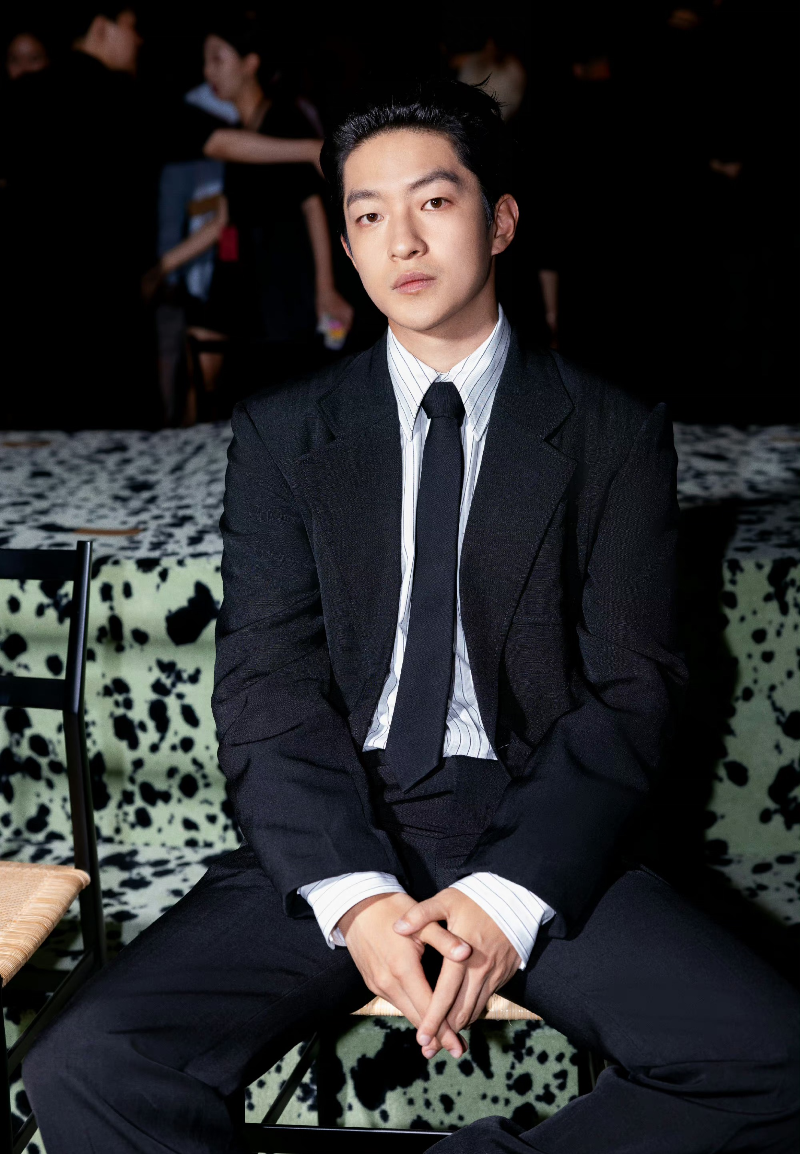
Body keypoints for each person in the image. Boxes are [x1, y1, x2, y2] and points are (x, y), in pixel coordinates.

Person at [24, 77, 799, 1154]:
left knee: (776, 1060)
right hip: (344, 811)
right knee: (90, 1060)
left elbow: (634, 689)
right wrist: (353, 895)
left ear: (501, 219)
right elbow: (265, 689)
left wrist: (508, 893)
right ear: (345, 243)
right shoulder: (285, 432)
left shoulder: (611, 432)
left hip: (537, 819)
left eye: (434, 202)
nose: (402, 240)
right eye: (367, 214)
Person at [153, 14, 352, 411]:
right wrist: (162, 268)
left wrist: (325, 287)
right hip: (241, 278)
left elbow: (312, 205)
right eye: (205, 61)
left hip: (283, 281)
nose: (208, 72)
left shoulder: (284, 117)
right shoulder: (239, 134)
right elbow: (224, 220)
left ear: (250, 62)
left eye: (217, 58)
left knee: (284, 396)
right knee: (202, 375)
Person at [1, 4, 160, 430]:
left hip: (72, 306)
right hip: (70, 307)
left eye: (33, 59)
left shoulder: (65, 100)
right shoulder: (106, 95)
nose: (24, 70)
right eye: (14, 60)